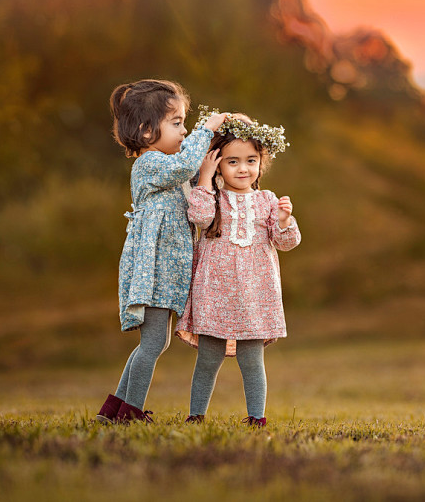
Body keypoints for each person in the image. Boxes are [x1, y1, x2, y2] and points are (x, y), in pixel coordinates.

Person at [95, 81, 226, 424]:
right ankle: (129, 413)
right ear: (146, 130)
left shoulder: (170, 167)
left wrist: (222, 143)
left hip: (168, 272)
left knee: (156, 344)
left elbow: (196, 171)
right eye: (177, 122)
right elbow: (184, 167)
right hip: (152, 270)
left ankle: (114, 411)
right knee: (153, 344)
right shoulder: (150, 164)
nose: (185, 131)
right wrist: (204, 130)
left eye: (186, 123)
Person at [176, 109, 301, 427]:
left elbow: (286, 242)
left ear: (261, 162)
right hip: (215, 291)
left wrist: (285, 220)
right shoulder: (213, 197)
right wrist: (205, 178)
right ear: (217, 162)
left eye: (250, 160)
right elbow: (200, 218)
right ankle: (196, 415)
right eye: (232, 161)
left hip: (254, 293)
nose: (243, 168)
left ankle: (257, 417)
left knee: (251, 358)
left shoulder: (268, 201)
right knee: (208, 357)